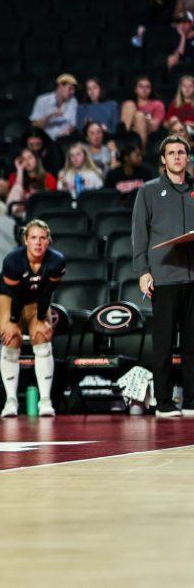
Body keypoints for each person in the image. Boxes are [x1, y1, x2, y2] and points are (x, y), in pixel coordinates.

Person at [133, 135, 194, 418]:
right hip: (165, 277)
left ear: (187, 157)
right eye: (171, 153)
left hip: (193, 279)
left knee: (193, 342)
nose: (177, 157)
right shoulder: (148, 191)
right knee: (164, 342)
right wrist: (143, 271)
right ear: (163, 159)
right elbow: (139, 235)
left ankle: (192, 400)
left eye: (181, 152)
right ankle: (164, 401)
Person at [0, 219, 65, 418]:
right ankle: (10, 401)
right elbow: (16, 296)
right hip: (8, 296)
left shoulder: (57, 261)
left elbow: (47, 294)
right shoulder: (12, 260)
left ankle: (45, 400)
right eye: (33, 237)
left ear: (49, 241)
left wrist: (42, 318)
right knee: (11, 338)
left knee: (42, 336)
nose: (38, 242)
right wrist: (12, 322)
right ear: (25, 240)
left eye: (43, 238)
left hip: (37, 298)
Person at [30, 73, 78, 140]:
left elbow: (74, 124)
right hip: (46, 140)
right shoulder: (42, 100)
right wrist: (50, 116)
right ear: (60, 86)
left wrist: (70, 130)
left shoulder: (73, 101)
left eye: (73, 90)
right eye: (70, 89)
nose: (72, 92)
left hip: (65, 139)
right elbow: (35, 127)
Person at [120, 76, 165, 145]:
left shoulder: (157, 104)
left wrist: (143, 119)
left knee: (139, 116)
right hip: (129, 130)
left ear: (151, 90)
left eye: (147, 87)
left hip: (147, 129)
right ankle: (122, 144)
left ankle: (140, 152)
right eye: (141, 86)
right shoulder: (128, 104)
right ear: (135, 89)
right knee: (129, 104)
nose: (144, 89)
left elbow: (155, 126)